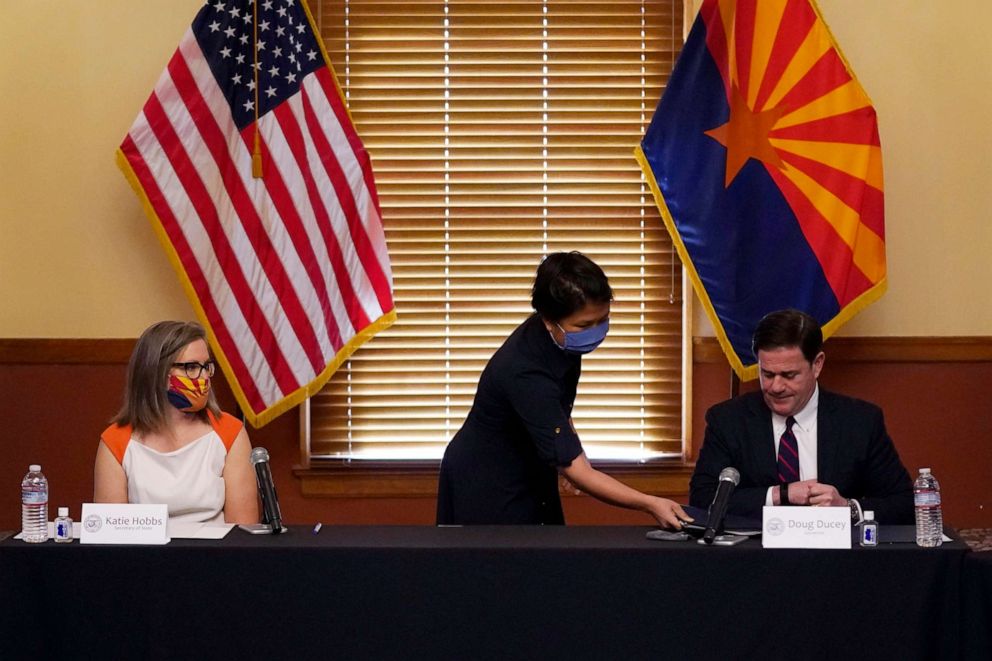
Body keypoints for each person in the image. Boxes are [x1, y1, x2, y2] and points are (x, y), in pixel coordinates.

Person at [436, 251, 690, 528]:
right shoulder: (525, 370)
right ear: (548, 320)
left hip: (532, 463)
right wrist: (650, 503)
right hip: (488, 477)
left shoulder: (562, 341)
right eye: (584, 325)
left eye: (602, 319)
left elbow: (559, 408)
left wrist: (568, 448)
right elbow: (577, 469)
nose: (595, 331)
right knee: (506, 564)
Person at [689, 309, 914, 524]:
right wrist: (780, 495)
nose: (776, 387)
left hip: (836, 559)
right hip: (755, 558)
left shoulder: (860, 422)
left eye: (789, 375)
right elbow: (702, 500)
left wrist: (848, 508)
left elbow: (903, 505)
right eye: (767, 374)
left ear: (817, 365)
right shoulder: (728, 420)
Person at [93, 321, 259, 524]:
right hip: (145, 554)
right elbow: (111, 536)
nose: (204, 376)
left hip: (214, 553)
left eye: (207, 366)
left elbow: (243, 532)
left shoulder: (230, 432)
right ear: (156, 373)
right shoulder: (115, 441)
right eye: (191, 367)